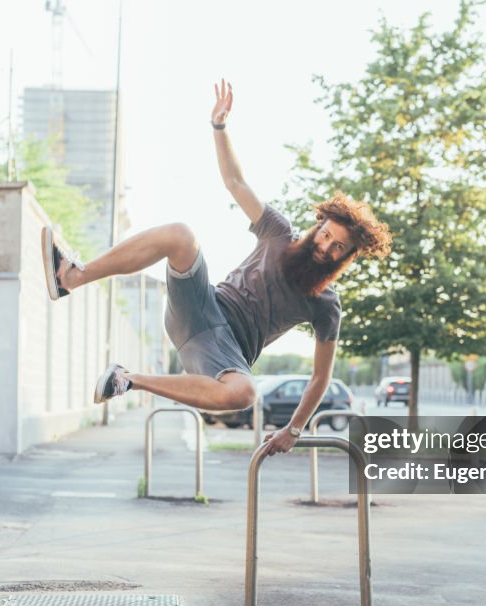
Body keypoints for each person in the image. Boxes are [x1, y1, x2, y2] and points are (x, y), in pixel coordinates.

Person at [41, 80, 391, 455]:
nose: (325, 247)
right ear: (318, 225)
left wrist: (294, 428)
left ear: (346, 257)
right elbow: (235, 182)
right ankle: (72, 277)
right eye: (325, 235)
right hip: (202, 305)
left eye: (337, 248)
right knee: (180, 235)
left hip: (222, 351)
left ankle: (126, 380)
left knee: (244, 392)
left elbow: (321, 376)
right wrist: (219, 127)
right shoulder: (278, 232)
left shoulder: (325, 305)